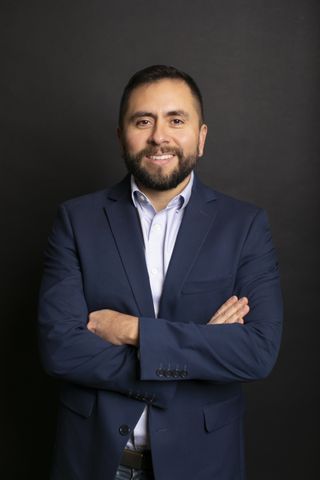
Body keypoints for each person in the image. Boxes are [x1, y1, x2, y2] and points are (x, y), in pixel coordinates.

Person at [38, 65, 283, 480]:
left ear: (201, 137)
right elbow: (60, 348)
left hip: (203, 465)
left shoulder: (244, 226)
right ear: (121, 136)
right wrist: (197, 352)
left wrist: (134, 331)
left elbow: (258, 352)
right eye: (142, 120)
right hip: (96, 463)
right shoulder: (76, 220)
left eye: (176, 119)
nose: (159, 136)